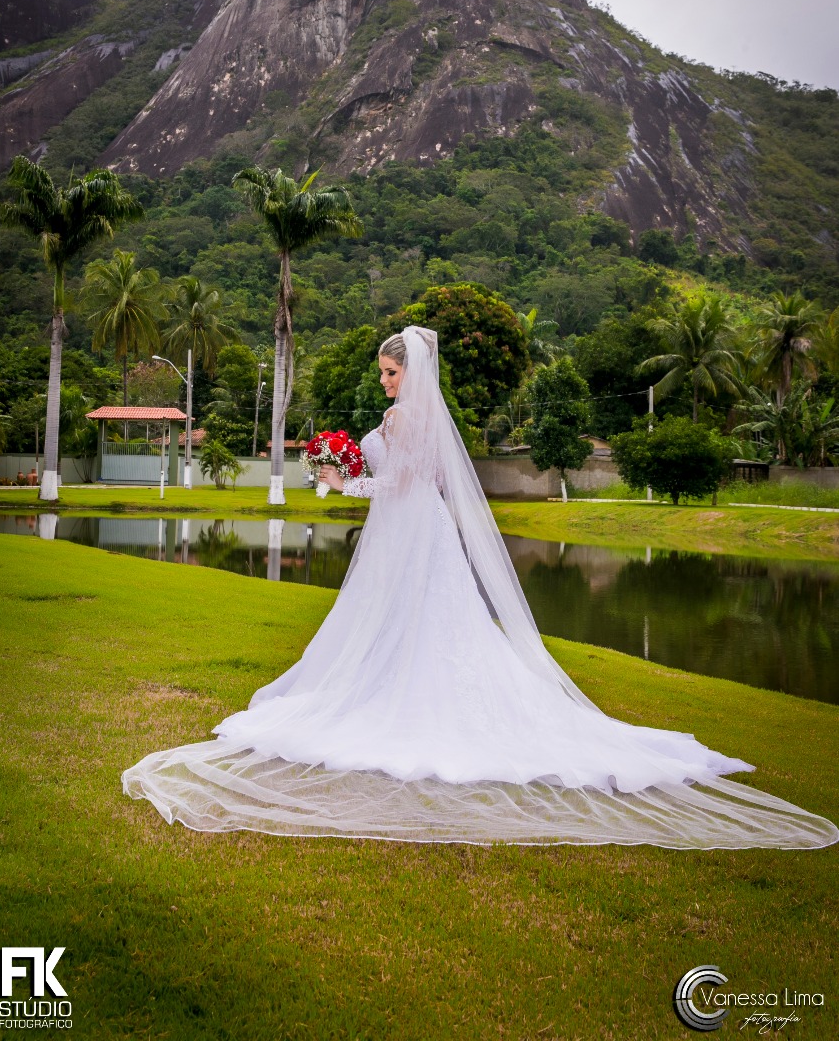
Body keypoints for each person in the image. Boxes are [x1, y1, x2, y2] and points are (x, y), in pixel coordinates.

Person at [123, 326, 838, 848]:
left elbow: (396, 483)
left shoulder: (407, 419)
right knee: (429, 620)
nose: (383, 384)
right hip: (420, 530)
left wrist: (340, 478)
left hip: (408, 526)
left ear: (410, 373)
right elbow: (417, 484)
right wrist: (346, 470)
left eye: (389, 374)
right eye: (383, 375)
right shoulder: (426, 419)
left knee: (416, 618)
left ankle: (401, 699)